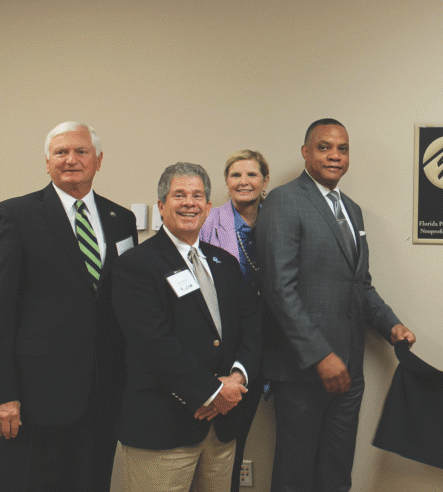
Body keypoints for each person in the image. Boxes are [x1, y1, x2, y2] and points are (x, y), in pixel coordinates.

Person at [257, 118, 416, 492]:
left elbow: (359, 285)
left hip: (349, 370)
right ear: (306, 152)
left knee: (336, 473)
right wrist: (319, 355)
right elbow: (279, 288)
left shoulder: (352, 210)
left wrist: (391, 325)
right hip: (303, 371)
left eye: (342, 148)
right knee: (295, 475)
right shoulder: (284, 200)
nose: (335, 155)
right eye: (325, 147)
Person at [0, 121, 138, 491]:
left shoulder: (120, 219)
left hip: (104, 393)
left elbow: (125, 305)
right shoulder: (15, 215)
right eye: (61, 152)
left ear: (98, 160)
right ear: (47, 162)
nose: (71, 159)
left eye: (81, 151)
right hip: (36, 398)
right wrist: (4, 394)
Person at [113, 163, 260, 492]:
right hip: (163, 429)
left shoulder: (226, 262)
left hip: (221, 428)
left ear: (209, 207)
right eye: (179, 195)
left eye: (197, 196)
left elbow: (252, 324)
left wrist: (236, 379)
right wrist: (212, 392)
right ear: (162, 205)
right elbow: (153, 342)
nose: (189, 202)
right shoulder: (135, 265)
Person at [199, 149, 269, 492]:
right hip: (224, 346)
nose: (244, 182)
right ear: (226, 183)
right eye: (236, 175)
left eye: (252, 174)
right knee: (217, 442)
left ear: (265, 181)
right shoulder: (209, 220)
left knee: (239, 436)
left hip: (266, 344)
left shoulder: (276, 222)